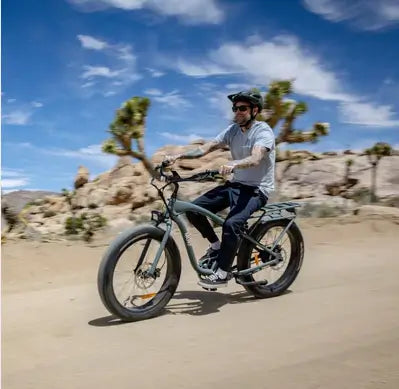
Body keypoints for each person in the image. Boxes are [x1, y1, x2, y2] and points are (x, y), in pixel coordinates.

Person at [165, 90, 275, 289]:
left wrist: (234, 165)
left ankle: (223, 273)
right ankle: (217, 247)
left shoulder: (263, 132)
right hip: (236, 185)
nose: (237, 112)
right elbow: (206, 148)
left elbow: (256, 158)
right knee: (193, 210)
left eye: (242, 108)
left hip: (257, 190)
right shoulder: (232, 131)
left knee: (231, 224)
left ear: (255, 110)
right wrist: (178, 157)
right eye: (235, 108)